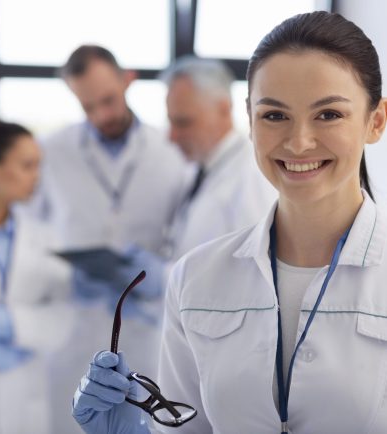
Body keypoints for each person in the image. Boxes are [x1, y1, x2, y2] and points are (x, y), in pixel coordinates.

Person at [71, 10, 387, 434]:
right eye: (274, 115)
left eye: (328, 114)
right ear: (250, 120)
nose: (299, 142)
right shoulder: (195, 277)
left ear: (376, 121)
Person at [25, 45, 190, 434]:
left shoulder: (171, 152)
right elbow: (28, 237)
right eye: (88, 107)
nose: (102, 115)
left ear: (127, 80)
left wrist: (157, 276)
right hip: (74, 329)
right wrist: (65, 278)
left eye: (108, 100)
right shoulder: (51, 152)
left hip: (145, 328)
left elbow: (186, 240)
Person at [0, 118, 74, 434]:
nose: (37, 177)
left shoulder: (45, 237)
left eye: (38, 166)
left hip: (27, 396)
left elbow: (64, 317)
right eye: (27, 166)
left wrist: (6, 323)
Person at [124, 56, 276, 279]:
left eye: (184, 123)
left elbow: (254, 275)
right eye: (171, 122)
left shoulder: (253, 175)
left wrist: (165, 278)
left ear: (224, 109)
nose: (172, 136)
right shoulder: (199, 171)